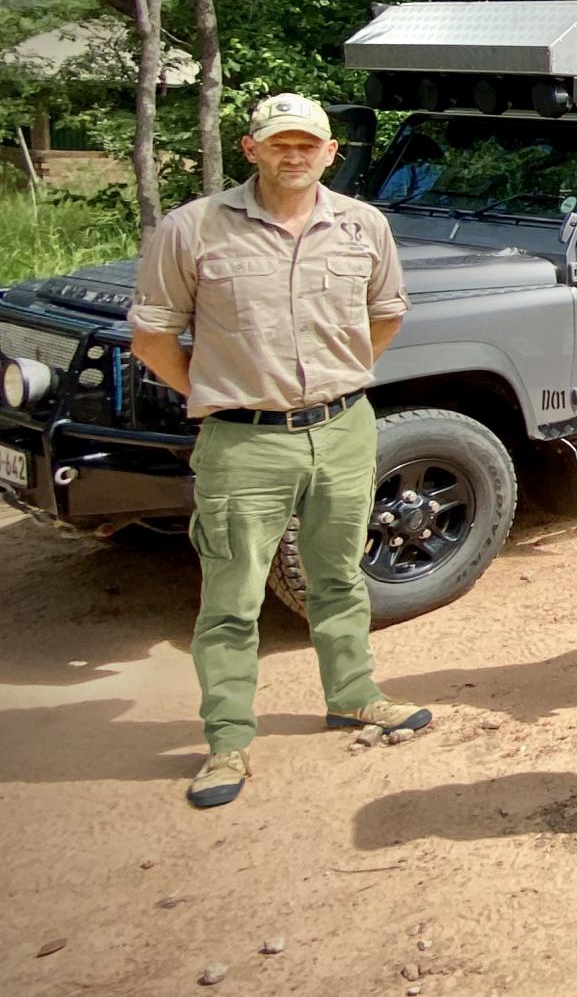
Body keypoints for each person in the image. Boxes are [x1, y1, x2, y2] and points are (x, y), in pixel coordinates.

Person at [129, 93, 429, 810]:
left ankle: (353, 695)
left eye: (308, 144)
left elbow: (385, 315)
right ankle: (228, 739)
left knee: (338, 575)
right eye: (279, 143)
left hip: (345, 428)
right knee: (232, 599)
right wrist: (216, 391)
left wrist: (337, 382)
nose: (293, 155)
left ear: (332, 153)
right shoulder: (192, 228)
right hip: (243, 440)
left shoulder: (363, 226)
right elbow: (151, 338)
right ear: (250, 148)